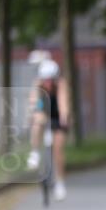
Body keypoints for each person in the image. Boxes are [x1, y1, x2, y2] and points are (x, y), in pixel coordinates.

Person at [26, 59, 71, 201]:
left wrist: (64, 118)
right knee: (37, 121)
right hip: (44, 112)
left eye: (50, 80)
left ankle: (60, 183)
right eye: (45, 80)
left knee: (58, 149)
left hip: (57, 115)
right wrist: (33, 115)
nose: (48, 83)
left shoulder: (61, 85)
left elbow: (63, 104)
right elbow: (34, 103)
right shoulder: (38, 85)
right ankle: (34, 153)